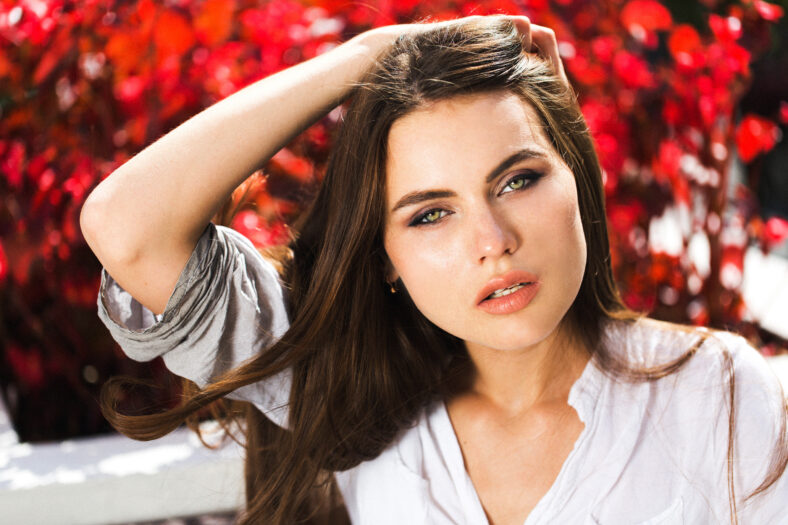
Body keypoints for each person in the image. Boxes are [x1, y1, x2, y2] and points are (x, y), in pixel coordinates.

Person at [80, 14, 787, 525]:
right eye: (429, 214)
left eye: (517, 180)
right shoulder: (354, 390)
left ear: (578, 174)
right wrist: (369, 57)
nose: (493, 240)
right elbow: (127, 227)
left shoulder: (715, 394)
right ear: (385, 258)